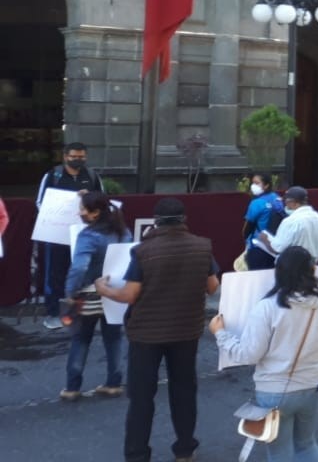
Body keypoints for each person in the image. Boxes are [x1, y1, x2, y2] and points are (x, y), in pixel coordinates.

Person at [94, 198, 219, 462]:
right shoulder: (202, 246)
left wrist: (103, 289)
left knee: (141, 398)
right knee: (184, 391)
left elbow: (129, 295)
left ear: (156, 221)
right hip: (187, 329)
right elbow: (212, 287)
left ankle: (138, 454)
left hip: (146, 333)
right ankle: (185, 449)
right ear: (184, 220)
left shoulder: (143, 251)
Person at [210, 246, 318, 462]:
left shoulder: (267, 307)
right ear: (312, 271)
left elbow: (249, 354)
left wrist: (220, 334)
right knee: (307, 444)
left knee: (279, 452)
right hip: (314, 385)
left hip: (274, 389)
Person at [61, 191, 132, 400]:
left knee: (81, 339)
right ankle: (113, 383)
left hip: (89, 293)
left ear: (94, 213)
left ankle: (72, 387)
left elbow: (79, 267)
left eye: (83, 209)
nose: (79, 212)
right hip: (114, 292)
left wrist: (70, 292)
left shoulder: (89, 235)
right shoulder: (122, 231)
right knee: (113, 338)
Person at [36, 141, 104, 329]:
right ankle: (53, 313)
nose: (78, 160)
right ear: (65, 156)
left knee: (85, 273)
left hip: (85, 234)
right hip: (57, 234)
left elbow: (101, 201)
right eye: (74, 156)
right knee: (55, 274)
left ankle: (83, 312)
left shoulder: (92, 176)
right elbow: (40, 203)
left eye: (81, 157)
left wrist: (87, 197)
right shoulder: (53, 175)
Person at [258, 186, 318, 263]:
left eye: (286, 202)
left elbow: (277, 248)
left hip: (292, 268)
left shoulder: (290, 221)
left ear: (293, 202)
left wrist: (265, 239)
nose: (285, 205)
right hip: (312, 266)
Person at [242, 172, 284, 270]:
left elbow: (246, 230)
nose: (253, 186)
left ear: (266, 185)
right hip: (275, 246)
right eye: (252, 183)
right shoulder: (277, 198)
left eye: (257, 183)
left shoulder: (256, 203)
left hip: (258, 246)